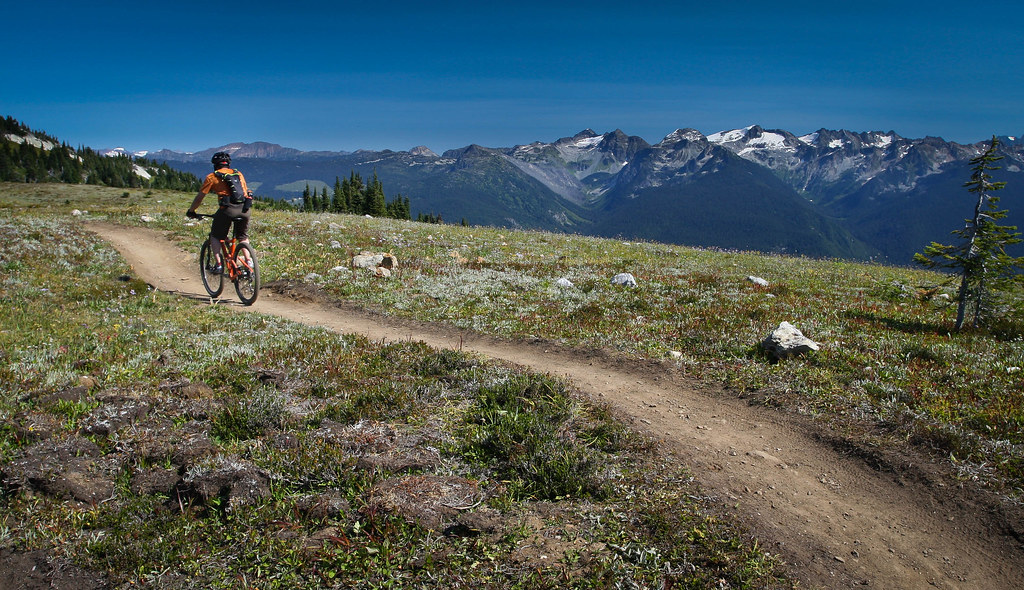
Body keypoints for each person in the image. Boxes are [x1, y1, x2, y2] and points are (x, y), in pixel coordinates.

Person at [186, 152, 253, 274]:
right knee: (242, 236)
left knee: (215, 236)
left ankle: (218, 264)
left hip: (228, 210)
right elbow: (245, 191)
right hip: (245, 209)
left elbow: (200, 197)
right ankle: (249, 261)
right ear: (228, 164)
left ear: (215, 165)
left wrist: (192, 211)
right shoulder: (238, 174)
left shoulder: (212, 177)